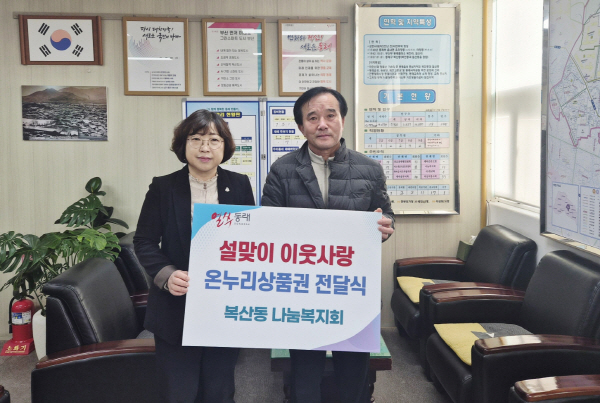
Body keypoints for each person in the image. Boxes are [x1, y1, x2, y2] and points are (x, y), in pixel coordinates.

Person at [261, 87, 395, 403]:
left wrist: (385, 225)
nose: (322, 124)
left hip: (353, 293)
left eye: (330, 115)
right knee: (304, 379)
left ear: (342, 120)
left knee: (354, 379)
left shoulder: (369, 168)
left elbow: (386, 214)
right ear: (301, 126)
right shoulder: (282, 169)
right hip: (302, 293)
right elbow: (267, 226)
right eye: (312, 117)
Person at [134, 110, 255, 403]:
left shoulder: (240, 184)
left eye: (214, 140)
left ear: (225, 146)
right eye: (196, 139)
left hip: (222, 305)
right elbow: (144, 241)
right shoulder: (163, 187)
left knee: (219, 389)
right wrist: (166, 275)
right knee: (179, 391)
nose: (205, 147)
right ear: (183, 144)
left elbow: (249, 242)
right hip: (176, 306)